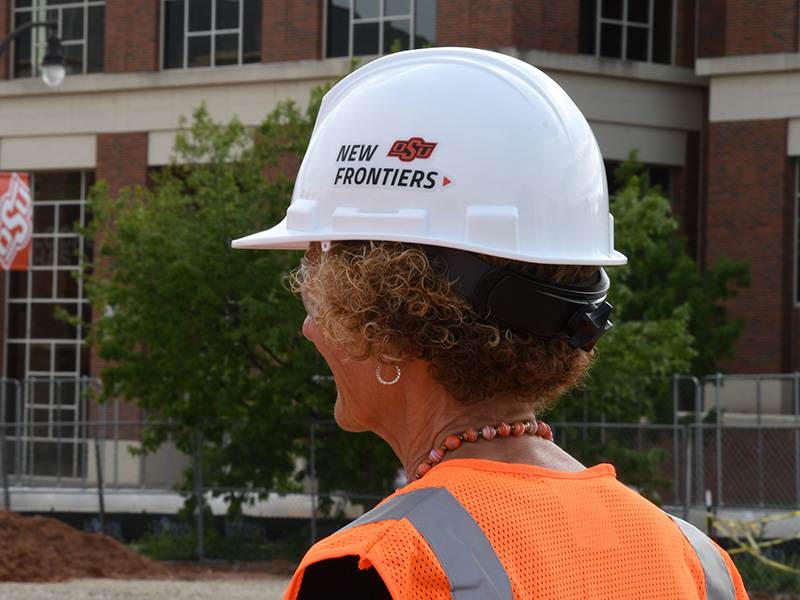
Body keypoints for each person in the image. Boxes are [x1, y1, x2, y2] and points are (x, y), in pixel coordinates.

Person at [233, 47, 748, 600]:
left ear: (391, 323)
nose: (310, 329)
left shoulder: (377, 569)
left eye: (320, 297)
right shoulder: (697, 562)